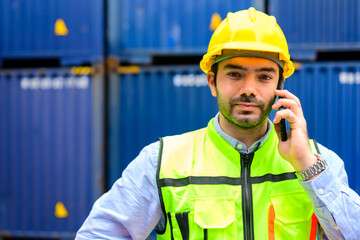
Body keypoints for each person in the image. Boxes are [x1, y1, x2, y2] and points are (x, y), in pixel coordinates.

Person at [75, 8, 360, 240]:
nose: (249, 88)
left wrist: (306, 166)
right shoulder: (162, 162)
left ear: (280, 86)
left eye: (264, 77)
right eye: (235, 74)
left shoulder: (318, 164)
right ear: (212, 82)